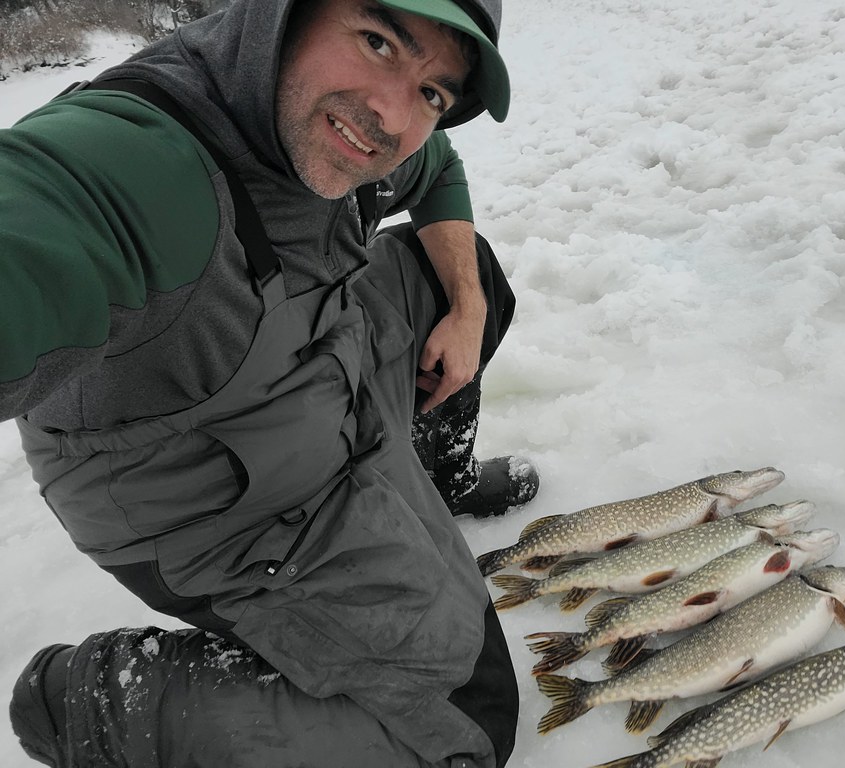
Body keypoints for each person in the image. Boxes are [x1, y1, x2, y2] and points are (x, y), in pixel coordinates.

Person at [1, 0, 538, 765]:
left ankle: (438, 480)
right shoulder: (134, 167)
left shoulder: (349, 129)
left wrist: (468, 305)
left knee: (462, 272)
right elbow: (35, 228)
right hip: (214, 498)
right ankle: (96, 702)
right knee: (466, 722)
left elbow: (438, 166)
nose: (392, 115)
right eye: (378, 41)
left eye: (431, 91)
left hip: (321, 365)